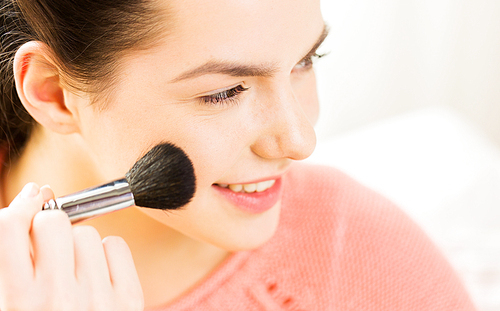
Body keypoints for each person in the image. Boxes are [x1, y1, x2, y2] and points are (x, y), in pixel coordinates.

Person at [0, 0, 476, 310]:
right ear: (54, 93)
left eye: (304, 62)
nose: (298, 142)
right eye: (227, 92)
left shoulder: (363, 258)